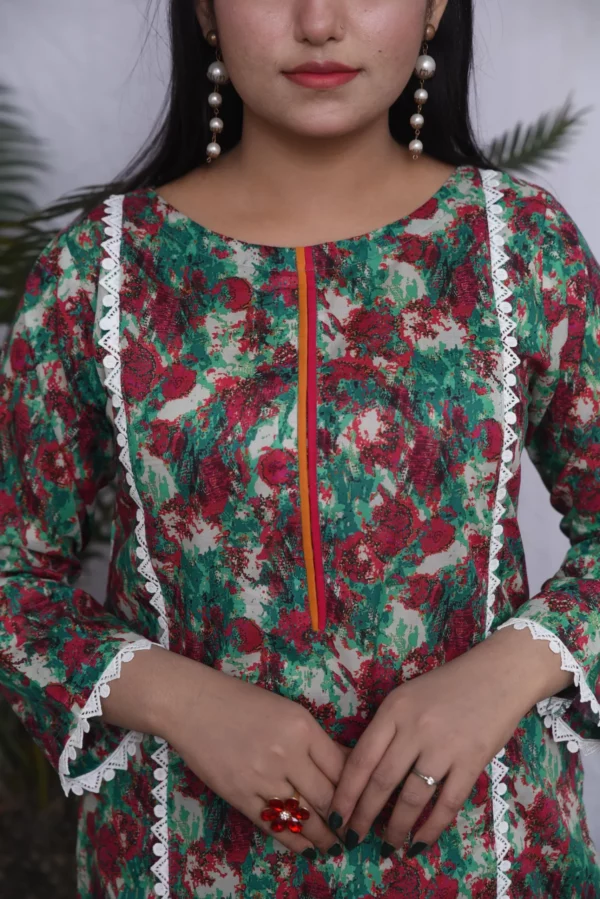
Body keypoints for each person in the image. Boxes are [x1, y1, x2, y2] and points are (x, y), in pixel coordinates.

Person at [1, 0, 599, 896]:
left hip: (492, 857)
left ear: (437, 5)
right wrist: (182, 701)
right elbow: (14, 575)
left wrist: (509, 669)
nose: (318, 21)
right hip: (179, 862)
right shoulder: (98, 272)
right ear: (203, 10)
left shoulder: (520, 247)